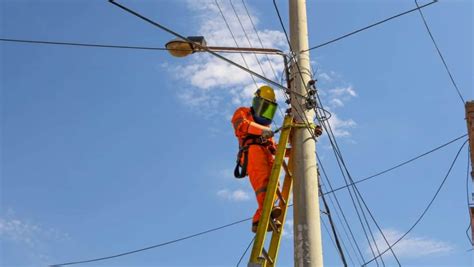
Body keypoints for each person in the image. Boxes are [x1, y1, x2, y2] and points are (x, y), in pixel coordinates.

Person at [231, 85, 282, 233]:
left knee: (274, 181)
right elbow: (242, 126)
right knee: (263, 180)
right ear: (257, 102)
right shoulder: (243, 112)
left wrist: (292, 148)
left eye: (269, 109)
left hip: (265, 151)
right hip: (251, 151)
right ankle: (266, 212)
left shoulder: (266, 129)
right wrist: (262, 130)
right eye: (264, 106)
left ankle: (260, 218)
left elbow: (274, 148)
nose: (265, 112)